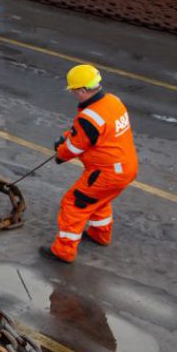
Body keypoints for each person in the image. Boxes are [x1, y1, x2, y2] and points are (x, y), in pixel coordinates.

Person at [41, 64, 138, 264]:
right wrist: (68, 136)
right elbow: (91, 133)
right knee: (97, 200)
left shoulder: (89, 117)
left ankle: (63, 251)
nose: (74, 94)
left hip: (106, 172)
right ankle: (100, 234)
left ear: (83, 90)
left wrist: (60, 153)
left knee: (74, 204)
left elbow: (74, 147)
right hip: (126, 167)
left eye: (74, 91)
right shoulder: (113, 101)